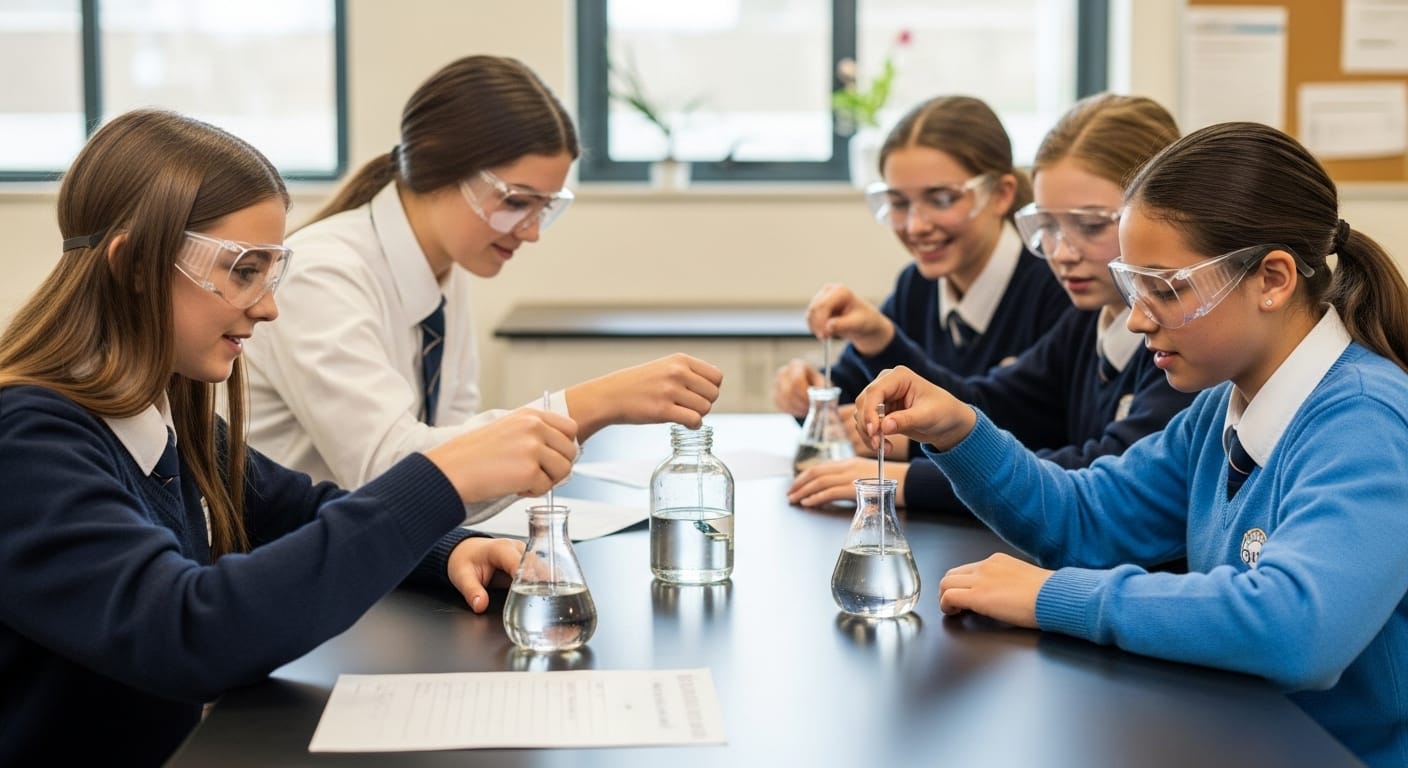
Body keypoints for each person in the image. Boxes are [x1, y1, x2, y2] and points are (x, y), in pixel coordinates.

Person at [0, 110, 580, 765]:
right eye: (244, 270)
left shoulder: (159, 408)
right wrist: (440, 481)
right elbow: (187, 632)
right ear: (134, 264)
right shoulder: (26, 442)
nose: (268, 306)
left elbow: (292, 509)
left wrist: (444, 552)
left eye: (271, 271)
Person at [854, 122, 1408, 767]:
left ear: (1274, 278)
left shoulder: (1364, 419)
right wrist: (959, 432)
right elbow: (1086, 519)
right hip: (1238, 734)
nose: (1139, 316)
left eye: (1167, 288)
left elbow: (1297, 626)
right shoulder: (1220, 413)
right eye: (1132, 285)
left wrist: (1050, 595)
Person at [241, 55, 722, 495]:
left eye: (545, 208)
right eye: (515, 202)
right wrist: (591, 403)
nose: (531, 233)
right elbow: (387, 473)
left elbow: (449, 446)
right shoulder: (322, 274)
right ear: (436, 166)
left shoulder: (444, 271)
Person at [789, 94, 1198, 514]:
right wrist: (891, 364)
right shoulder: (1089, 321)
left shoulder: (1187, 341)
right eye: (1046, 227)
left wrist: (915, 476)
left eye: (1091, 226)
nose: (1061, 252)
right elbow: (992, 405)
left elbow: (1102, 477)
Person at [773, 94, 1072, 419]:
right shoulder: (917, 286)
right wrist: (810, 391)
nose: (916, 226)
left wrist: (883, 341)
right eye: (899, 203)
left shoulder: (1059, 287)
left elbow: (1013, 421)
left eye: (942, 199)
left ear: (1000, 194)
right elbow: (856, 392)